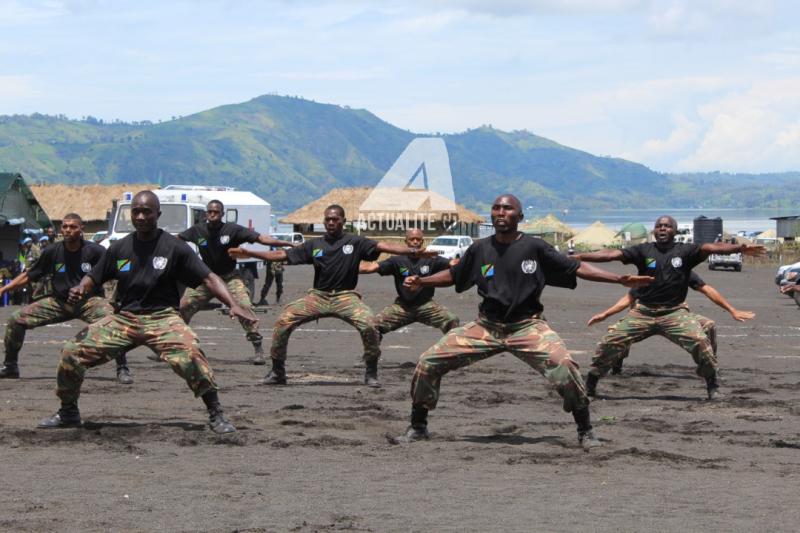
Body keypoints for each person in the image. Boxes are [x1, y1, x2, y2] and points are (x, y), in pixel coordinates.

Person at [396, 194, 653, 449]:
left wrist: (617, 279)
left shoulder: (535, 247)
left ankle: (585, 431)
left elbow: (576, 268)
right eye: (496, 208)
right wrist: (422, 281)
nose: (500, 212)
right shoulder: (479, 248)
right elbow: (454, 275)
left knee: (564, 365)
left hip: (527, 327)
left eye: (507, 208)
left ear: (519, 216)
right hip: (486, 327)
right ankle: (418, 426)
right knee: (428, 362)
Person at [37, 191, 257, 433]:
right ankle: (68, 411)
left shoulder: (174, 247)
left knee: (191, 354)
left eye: (146, 212)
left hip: (163, 318)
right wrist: (81, 287)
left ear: (157, 214)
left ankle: (216, 413)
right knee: (72, 351)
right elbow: (95, 275)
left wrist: (233, 304)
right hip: (125, 319)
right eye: (136, 212)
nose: (140, 217)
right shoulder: (119, 248)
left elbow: (210, 278)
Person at [229, 204, 438, 388]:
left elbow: (383, 246)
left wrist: (412, 252)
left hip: (346, 297)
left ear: (343, 221)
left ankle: (371, 373)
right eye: (328, 219)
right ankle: (277, 372)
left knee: (369, 325)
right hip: (318, 296)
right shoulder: (314, 245)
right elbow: (280, 254)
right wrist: (250, 253)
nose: (331, 222)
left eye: (335, 219)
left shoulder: (356, 242)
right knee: (283, 320)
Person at [576, 216, 766, 400]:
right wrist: (579, 256)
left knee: (701, 340)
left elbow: (710, 247)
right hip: (643, 313)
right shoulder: (643, 251)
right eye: (659, 226)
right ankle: (591, 383)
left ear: (675, 231)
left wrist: (739, 248)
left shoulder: (685, 252)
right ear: (654, 230)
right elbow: (611, 254)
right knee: (610, 341)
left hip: (674, 313)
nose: (662, 228)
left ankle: (712, 384)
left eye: (667, 226)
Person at [0, 214, 133, 382]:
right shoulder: (52, 251)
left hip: (89, 302)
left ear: (81, 229)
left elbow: (116, 273)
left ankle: (122, 368)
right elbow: (30, 275)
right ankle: (10, 366)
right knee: (16, 319)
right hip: (59, 302)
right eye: (64, 226)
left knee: (113, 322)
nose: (68, 230)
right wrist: (4, 289)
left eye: (72, 227)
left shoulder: (95, 251)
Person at [178, 200, 290, 365]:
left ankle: (258, 349)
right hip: (207, 278)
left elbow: (262, 239)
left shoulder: (233, 230)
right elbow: (176, 240)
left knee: (244, 306)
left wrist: (287, 243)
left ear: (222, 214)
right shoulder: (197, 230)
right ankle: (175, 346)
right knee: (183, 306)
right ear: (206, 213)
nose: (212, 214)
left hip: (230, 278)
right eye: (210, 212)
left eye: (216, 212)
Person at [588, 271, 756, 374]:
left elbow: (707, 289)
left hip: (676, 315)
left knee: (708, 325)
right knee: (618, 334)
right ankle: (617, 363)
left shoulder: (684, 271)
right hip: (644, 316)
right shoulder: (648, 274)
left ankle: (712, 365)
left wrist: (732, 310)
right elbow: (628, 298)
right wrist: (605, 314)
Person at [359, 228, 459, 337]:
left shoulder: (432, 259)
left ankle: (450, 347)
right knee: (372, 327)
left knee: (452, 320)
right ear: (406, 241)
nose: (415, 242)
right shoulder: (396, 261)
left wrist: (467, 262)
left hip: (426, 305)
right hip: (402, 307)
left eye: (418, 239)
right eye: (412, 239)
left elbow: (453, 263)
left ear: (422, 241)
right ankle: (373, 348)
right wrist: (347, 267)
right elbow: (371, 267)